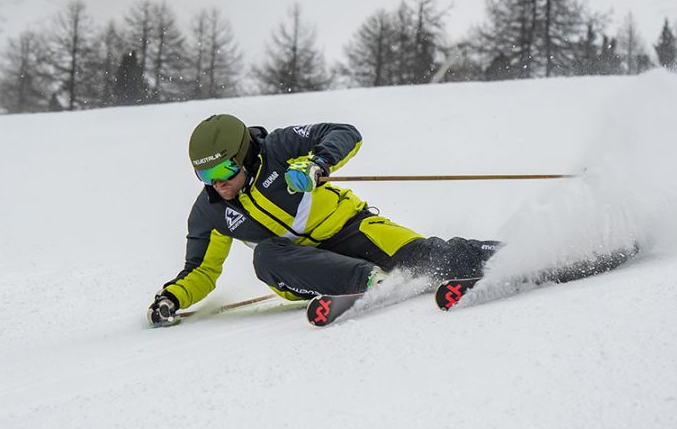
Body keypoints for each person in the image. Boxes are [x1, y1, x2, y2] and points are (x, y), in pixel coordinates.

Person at [147, 114, 501, 326]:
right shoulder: (210, 212)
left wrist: (317, 163)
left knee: (428, 257)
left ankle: (516, 255)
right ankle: (371, 282)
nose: (218, 182)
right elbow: (201, 270)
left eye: (225, 169)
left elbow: (345, 132)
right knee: (266, 255)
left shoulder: (278, 149)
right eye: (205, 175)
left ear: (245, 155)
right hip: (302, 265)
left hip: (351, 228)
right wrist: (173, 297)